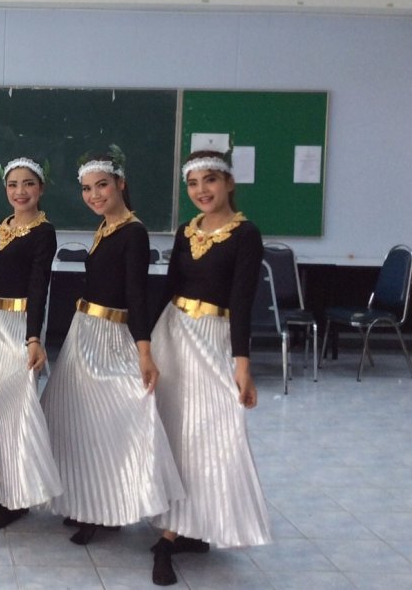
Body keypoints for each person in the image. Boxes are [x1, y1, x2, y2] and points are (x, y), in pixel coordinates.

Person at [40, 148, 183, 546]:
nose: (94, 195)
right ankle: (88, 502)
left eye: (101, 185)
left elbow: (137, 295)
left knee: (109, 423)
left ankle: (106, 510)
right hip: (83, 332)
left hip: (110, 335)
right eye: (87, 188)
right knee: (80, 422)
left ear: (120, 184)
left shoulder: (133, 232)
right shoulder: (107, 227)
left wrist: (143, 351)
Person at [149, 150, 271, 586]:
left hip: (214, 338)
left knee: (212, 432)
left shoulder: (246, 234)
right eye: (193, 182)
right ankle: (176, 528)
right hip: (173, 334)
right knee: (173, 428)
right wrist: (142, 342)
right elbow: (169, 286)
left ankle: (182, 530)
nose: (201, 190)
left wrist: (242, 365)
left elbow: (242, 300)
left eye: (210, 180)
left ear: (229, 184)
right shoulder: (186, 230)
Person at [0, 157, 63, 530]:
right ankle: (3, 490)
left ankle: (18, 498)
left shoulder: (44, 232)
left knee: (15, 409)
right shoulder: (5, 225)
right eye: (13, 184)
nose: (20, 191)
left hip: (20, 325)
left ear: (40, 188)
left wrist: (33, 337)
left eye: (28, 184)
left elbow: (39, 286)